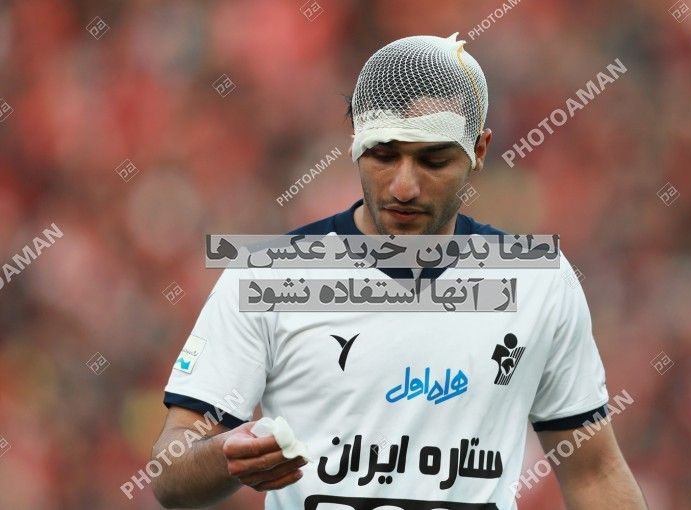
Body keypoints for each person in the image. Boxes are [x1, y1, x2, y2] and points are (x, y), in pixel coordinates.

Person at [151, 33, 647, 509]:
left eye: (433, 161)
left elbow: (594, 473)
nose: (403, 187)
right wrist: (226, 457)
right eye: (384, 156)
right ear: (355, 143)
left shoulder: (537, 281)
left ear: (479, 151)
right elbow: (170, 473)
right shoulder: (267, 277)